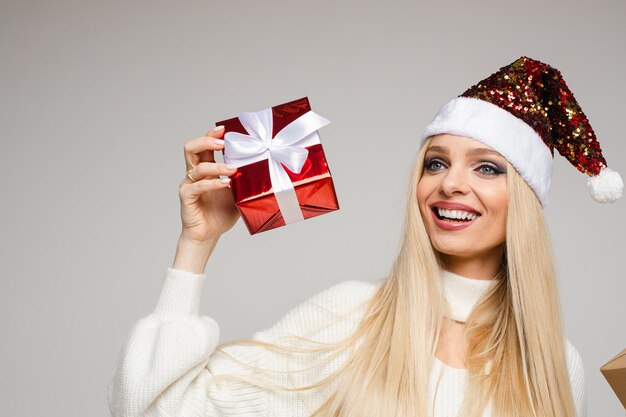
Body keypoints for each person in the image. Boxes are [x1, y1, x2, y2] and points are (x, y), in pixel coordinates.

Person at [107, 56, 623, 417]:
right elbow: (153, 408)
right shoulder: (348, 318)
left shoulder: (556, 367)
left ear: (526, 203)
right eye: (436, 163)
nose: (450, 183)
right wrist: (196, 245)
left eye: (487, 168)